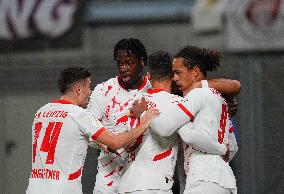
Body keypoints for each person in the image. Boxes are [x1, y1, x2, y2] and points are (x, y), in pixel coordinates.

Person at [26, 66, 159, 194]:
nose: (90, 91)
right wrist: (144, 123)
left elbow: (68, 139)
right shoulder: (79, 115)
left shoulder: (41, 112)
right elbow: (116, 142)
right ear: (78, 89)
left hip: (34, 188)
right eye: (88, 86)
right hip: (63, 189)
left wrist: (104, 146)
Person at [118, 50, 231, 194]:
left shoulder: (131, 102)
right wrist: (221, 148)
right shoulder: (177, 104)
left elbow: (117, 142)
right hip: (154, 186)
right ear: (172, 77)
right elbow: (190, 136)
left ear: (148, 76)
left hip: (126, 184)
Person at [149, 46, 239, 194]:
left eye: (178, 73)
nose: (175, 78)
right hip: (225, 181)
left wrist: (146, 114)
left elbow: (166, 129)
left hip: (204, 179)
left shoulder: (196, 95)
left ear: (195, 72)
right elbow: (233, 148)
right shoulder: (220, 100)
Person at [87, 38, 152, 194]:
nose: (123, 68)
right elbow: (88, 131)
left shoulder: (153, 90)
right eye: (120, 63)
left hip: (144, 180)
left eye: (129, 63)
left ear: (142, 61)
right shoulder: (103, 91)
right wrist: (108, 145)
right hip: (108, 182)